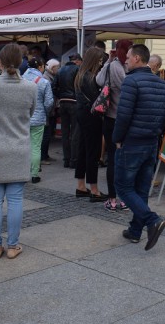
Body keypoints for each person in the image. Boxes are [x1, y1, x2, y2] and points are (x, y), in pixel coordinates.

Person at [0, 44, 37, 260]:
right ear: (21, 62)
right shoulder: (31, 87)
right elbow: (30, 113)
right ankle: (12, 246)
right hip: (19, 148)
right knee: (15, 200)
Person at [113, 43, 165, 250]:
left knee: (124, 187)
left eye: (128, 57)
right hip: (151, 142)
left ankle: (151, 220)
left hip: (133, 142)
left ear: (137, 58)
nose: (126, 60)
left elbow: (124, 114)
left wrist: (117, 138)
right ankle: (135, 231)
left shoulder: (131, 81)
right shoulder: (162, 84)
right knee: (142, 189)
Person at [97, 39, 132, 211]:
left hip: (111, 118)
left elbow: (99, 80)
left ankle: (112, 199)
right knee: (122, 161)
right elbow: (127, 87)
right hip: (122, 119)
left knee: (113, 160)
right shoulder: (122, 67)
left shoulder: (115, 66)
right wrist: (111, 63)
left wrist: (109, 62)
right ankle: (123, 199)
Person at [74, 47, 107, 201]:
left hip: (81, 114)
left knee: (83, 149)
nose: (101, 63)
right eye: (100, 60)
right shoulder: (90, 77)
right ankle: (94, 190)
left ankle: (81, 185)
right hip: (91, 115)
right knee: (92, 152)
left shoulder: (81, 74)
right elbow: (97, 98)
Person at [21, 56, 54, 183]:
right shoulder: (44, 82)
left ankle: (22, 173)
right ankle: (34, 174)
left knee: (23, 146)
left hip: (22, 118)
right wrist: (45, 113)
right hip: (38, 118)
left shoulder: (21, 79)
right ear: (40, 67)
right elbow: (49, 102)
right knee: (35, 147)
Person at [56, 53, 81, 168]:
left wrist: (60, 96)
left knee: (65, 133)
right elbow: (80, 86)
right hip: (74, 103)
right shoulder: (77, 69)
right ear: (77, 61)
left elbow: (53, 86)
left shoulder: (60, 70)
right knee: (75, 133)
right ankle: (74, 160)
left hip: (63, 102)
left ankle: (66, 160)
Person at [40, 58, 60, 165]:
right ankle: (42, 157)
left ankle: (45, 155)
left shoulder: (51, 77)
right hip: (47, 111)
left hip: (50, 110)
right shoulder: (46, 78)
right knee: (46, 135)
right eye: (57, 67)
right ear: (52, 68)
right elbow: (47, 98)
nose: (58, 69)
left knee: (48, 133)